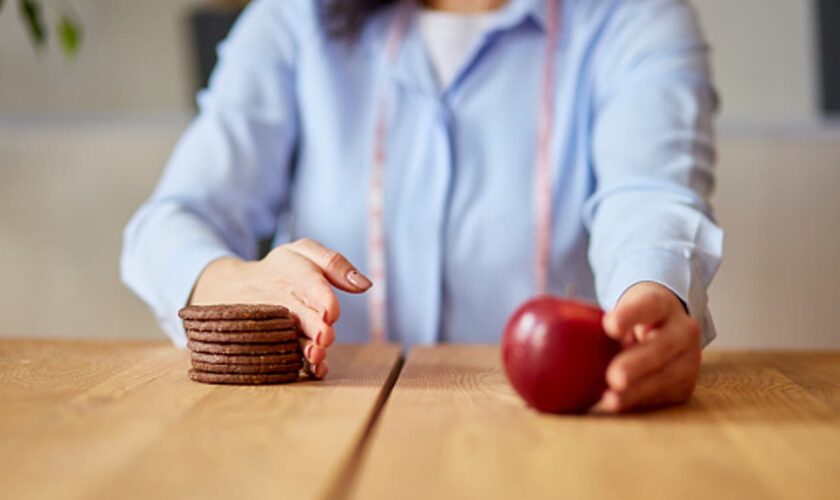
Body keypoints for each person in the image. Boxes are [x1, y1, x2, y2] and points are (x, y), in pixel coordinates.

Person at [121, 0, 723, 413]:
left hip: (548, 446)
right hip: (317, 439)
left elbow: (647, 196)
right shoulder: (294, 18)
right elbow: (172, 220)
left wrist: (655, 295)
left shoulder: (638, 18)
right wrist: (231, 281)